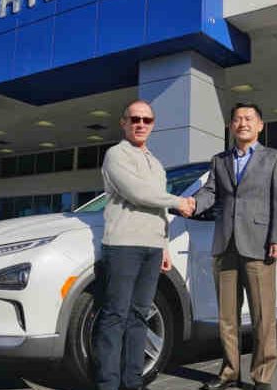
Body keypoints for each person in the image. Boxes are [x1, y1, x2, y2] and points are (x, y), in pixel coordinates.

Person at [93, 100, 195, 390]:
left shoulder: (156, 163)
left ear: (153, 125)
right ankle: (108, 384)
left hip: (151, 250)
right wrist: (179, 202)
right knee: (115, 316)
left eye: (146, 120)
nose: (140, 124)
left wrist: (163, 246)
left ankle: (133, 382)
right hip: (123, 246)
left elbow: (157, 208)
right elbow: (138, 193)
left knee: (139, 316)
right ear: (123, 122)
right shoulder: (116, 155)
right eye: (135, 119)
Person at [187, 103, 277, 390]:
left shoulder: (274, 159)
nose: (242, 123)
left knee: (262, 316)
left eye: (248, 118)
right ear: (231, 127)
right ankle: (230, 371)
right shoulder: (219, 160)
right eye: (237, 119)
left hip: (259, 246)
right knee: (227, 317)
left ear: (260, 125)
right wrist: (193, 203)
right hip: (225, 244)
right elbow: (210, 192)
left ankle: (262, 377)